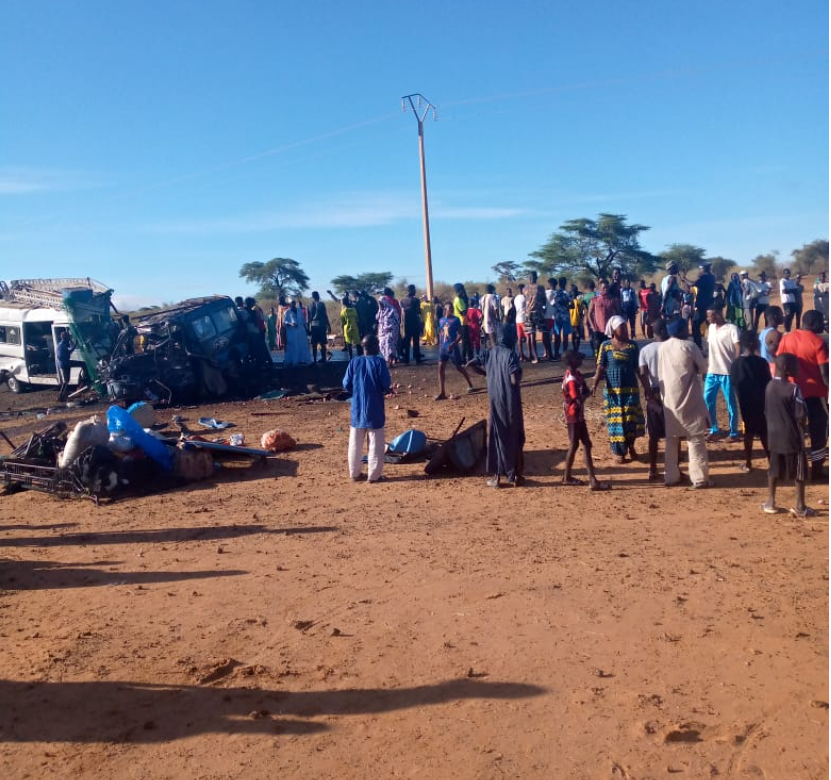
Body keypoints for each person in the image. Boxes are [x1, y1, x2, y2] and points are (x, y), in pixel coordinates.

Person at [467, 325, 525, 487]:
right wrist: (519, 376)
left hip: (496, 401)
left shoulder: (488, 353)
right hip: (511, 403)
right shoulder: (511, 355)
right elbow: (514, 379)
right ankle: (515, 476)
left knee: (497, 437)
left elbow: (469, 364)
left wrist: (487, 373)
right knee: (515, 437)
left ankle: (497, 477)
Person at [658, 318, 712, 488]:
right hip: (689, 398)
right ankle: (700, 478)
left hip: (669, 399)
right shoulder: (689, 346)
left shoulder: (662, 348)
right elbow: (703, 368)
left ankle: (671, 477)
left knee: (671, 440)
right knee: (695, 439)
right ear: (682, 330)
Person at [776, 310, 829, 481]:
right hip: (815, 394)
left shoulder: (787, 338)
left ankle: (794, 469)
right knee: (818, 431)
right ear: (813, 323)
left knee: (794, 430)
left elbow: (779, 363)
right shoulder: (819, 343)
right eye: (821, 321)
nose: (824, 324)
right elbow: (825, 375)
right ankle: (817, 469)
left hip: (791, 393)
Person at [761, 353, 815, 517]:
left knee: (774, 469)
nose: (798, 369)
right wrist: (804, 427)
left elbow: (766, 410)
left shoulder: (769, 386)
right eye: (795, 366)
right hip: (792, 438)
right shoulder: (793, 389)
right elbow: (801, 415)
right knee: (800, 472)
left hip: (774, 436)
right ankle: (800, 506)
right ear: (786, 369)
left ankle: (770, 502)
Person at [591, 315, 644, 463]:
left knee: (630, 420)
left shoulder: (633, 346)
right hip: (613, 392)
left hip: (630, 390)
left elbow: (638, 368)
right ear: (614, 330)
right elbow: (600, 366)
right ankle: (619, 452)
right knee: (615, 422)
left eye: (626, 328)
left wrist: (646, 387)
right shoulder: (605, 346)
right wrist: (594, 383)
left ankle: (631, 447)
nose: (626, 331)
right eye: (622, 328)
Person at [343, 334, 392, 484]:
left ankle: (355, 473)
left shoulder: (354, 362)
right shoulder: (379, 362)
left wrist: (357, 391)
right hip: (374, 407)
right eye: (377, 345)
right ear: (373, 347)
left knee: (355, 442)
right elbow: (385, 383)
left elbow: (346, 384)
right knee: (376, 442)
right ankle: (374, 476)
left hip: (357, 407)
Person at [561, 349, 608, 490]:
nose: (581, 361)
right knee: (579, 444)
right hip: (573, 416)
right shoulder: (572, 379)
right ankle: (586, 479)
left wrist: (586, 392)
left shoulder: (575, 375)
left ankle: (570, 477)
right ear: (572, 361)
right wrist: (587, 393)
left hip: (576, 415)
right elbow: (578, 397)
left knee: (581, 444)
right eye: (578, 359)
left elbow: (583, 393)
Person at [730, 330, 771, 472]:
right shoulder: (761, 362)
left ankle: (748, 462)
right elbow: (768, 382)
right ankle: (772, 461)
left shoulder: (736, 364)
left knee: (748, 432)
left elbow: (734, 382)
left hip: (745, 402)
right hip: (761, 402)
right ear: (753, 344)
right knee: (764, 432)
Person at [703, 304, 741, 441]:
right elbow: (709, 349)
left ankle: (733, 432)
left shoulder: (732, 329)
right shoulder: (711, 328)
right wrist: (706, 365)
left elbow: (738, 347)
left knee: (730, 402)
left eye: (709, 315)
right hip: (712, 372)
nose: (707, 318)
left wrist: (735, 366)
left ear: (718, 314)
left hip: (727, 372)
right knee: (708, 401)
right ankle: (714, 429)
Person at [638, 319, 669, 481]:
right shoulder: (672, 347)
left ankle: (652, 468)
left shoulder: (645, 350)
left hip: (654, 393)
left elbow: (643, 373)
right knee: (673, 432)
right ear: (664, 330)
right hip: (671, 392)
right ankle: (673, 467)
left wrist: (648, 392)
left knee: (653, 434)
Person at [436, 301, 475, 400]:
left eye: (451, 308)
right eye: (448, 308)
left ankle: (470, 384)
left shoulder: (456, 320)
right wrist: (440, 345)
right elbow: (440, 333)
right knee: (440, 369)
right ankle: (442, 392)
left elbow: (461, 334)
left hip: (453, 348)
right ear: (445, 309)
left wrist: (454, 343)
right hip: (443, 348)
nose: (450, 310)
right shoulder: (441, 320)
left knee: (459, 368)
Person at [587, 280, 621, 359]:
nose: (606, 289)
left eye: (607, 288)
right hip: (598, 330)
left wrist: (616, 327)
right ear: (599, 288)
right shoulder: (594, 300)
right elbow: (589, 314)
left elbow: (619, 313)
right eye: (604, 288)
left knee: (610, 351)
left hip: (610, 330)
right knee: (598, 352)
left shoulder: (613, 300)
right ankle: (598, 368)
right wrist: (593, 326)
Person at [691, 262, 716, 349]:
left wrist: (684, 279)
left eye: (700, 269)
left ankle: (698, 346)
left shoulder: (704, 277)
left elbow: (693, 284)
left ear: (704, 269)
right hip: (709, 304)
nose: (700, 270)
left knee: (695, 325)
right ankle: (714, 344)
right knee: (711, 324)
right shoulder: (712, 277)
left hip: (701, 305)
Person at [525, 271, 547, 363]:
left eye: (532, 277)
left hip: (533, 312)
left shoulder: (527, 288)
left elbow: (544, 300)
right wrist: (544, 307)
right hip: (533, 312)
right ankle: (537, 356)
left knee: (538, 333)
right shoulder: (540, 288)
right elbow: (544, 299)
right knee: (535, 334)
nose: (530, 279)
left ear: (535, 278)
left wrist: (543, 307)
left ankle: (539, 356)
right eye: (529, 277)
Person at [376, 289, 401, 367]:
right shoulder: (381, 310)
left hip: (391, 330)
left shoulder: (392, 309)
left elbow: (397, 318)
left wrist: (391, 326)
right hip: (383, 330)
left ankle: (390, 361)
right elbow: (378, 317)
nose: (380, 304)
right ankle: (390, 359)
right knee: (383, 344)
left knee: (389, 344)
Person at [399, 284, 423, 364]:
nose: (415, 291)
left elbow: (401, 313)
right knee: (416, 341)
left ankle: (406, 359)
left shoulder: (402, 300)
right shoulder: (416, 300)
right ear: (412, 290)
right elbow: (419, 312)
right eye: (414, 290)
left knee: (407, 342)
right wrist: (420, 324)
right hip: (415, 323)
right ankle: (417, 359)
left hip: (406, 324)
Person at [283, 299, 310, 366]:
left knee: (302, 345)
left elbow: (303, 320)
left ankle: (302, 359)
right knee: (293, 345)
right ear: (290, 304)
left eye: (294, 303)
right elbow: (285, 322)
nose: (293, 304)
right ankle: (293, 360)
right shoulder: (287, 312)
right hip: (292, 331)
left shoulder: (299, 310)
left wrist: (306, 329)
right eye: (292, 303)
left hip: (301, 331)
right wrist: (291, 324)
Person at [551, 277, 572, 361]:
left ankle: (556, 353)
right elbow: (572, 305)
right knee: (565, 336)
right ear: (565, 283)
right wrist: (566, 306)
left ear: (559, 284)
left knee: (557, 335)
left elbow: (552, 304)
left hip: (557, 317)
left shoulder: (555, 293)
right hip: (566, 316)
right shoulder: (567, 293)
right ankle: (565, 354)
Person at [759, 305, 784, 372]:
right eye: (781, 314)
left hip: (762, 367)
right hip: (771, 369)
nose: (783, 317)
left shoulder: (763, 331)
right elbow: (773, 354)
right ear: (775, 316)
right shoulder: (775, 334)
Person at [308, 291, 330, 364]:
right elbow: (325, 315)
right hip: (321, 325)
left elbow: (308, 318)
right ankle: (323, 358)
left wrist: (308, 328)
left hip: (314, 326)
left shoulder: (309, 305)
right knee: (321, 343)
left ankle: (314, 359)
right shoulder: (321, 304)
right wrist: (328, 325)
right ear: (318, 296)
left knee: (314, 344)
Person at [452, 283, 472, 362]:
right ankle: (463, 358)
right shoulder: (459, 300)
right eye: (462, 290)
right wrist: (467, 306)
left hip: (463, 322)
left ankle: (466, 357)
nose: (463, 292)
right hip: (462, 322)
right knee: (465, 341)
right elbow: (464, 312)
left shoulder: (458, 299)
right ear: (459, 291)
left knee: (466, 341)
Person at [55, 330, 75, 402]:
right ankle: (61, 396)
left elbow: (68, 352)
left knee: (67, 380)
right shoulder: (61, 346)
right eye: (68, 338)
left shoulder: (62, 345)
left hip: (65, 363)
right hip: (65, 364)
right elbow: (60, 355)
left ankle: (62, 395)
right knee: (66, 380)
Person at [779, 268, 799, 332]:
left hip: (792, 301)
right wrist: (792, 290)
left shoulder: (791, 281)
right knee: (788, 315)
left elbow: (796, 291)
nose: (787, 274)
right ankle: (786, 329)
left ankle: (788, 329)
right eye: (785, 273)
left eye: (788, 273)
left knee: (792, 316)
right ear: (783, 274)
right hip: (786, 302)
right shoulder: (782, 281)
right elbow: (784, 291)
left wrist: (789, 290)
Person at [513, 284, 529, 361]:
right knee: (528, 337)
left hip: (517, 319)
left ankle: (521, 355)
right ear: (523, 289)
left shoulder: (516, 298)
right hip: (525, 319)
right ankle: (530, 354)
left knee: (519, 338)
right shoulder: (524, 297)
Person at [568, 283, 584, 352]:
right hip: (573, 318)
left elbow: (581, 308)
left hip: (576, 318)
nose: (573, 292)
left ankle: (576, 348)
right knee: (575, 334)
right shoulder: (570, 297)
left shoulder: (579, 297)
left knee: (576, 334)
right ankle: (575, 348)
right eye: (572, 290)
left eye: (574, 290)